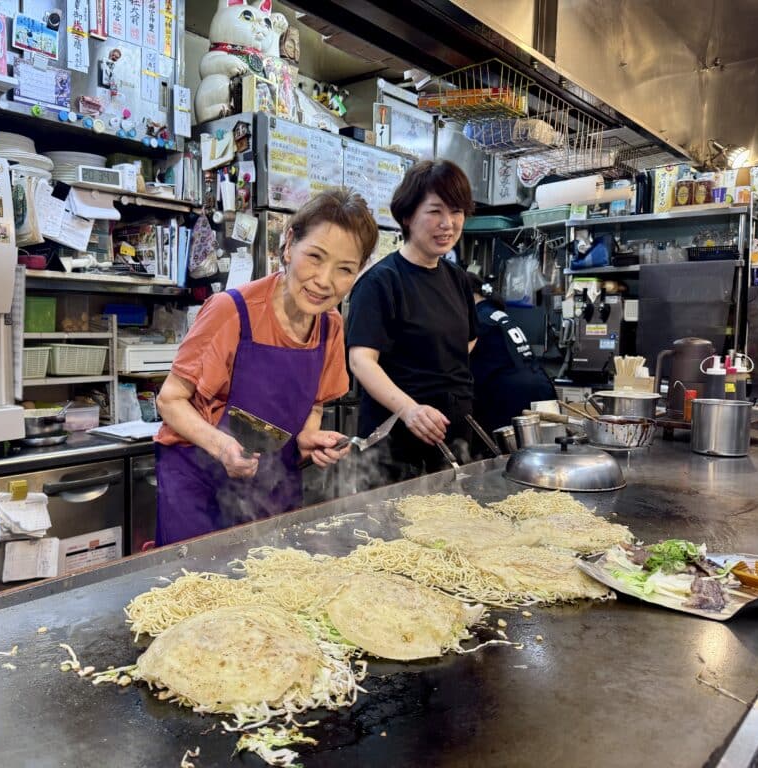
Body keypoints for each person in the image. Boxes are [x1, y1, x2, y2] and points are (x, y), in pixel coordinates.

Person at [153, 189, 380, 545]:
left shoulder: (330, 326)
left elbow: (315, 402)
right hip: (200, 487)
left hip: (274, 485)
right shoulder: (231, 311)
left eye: (345, 270)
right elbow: (170, 401)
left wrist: (308, 437)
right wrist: (223, 447)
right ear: (289, 244)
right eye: (315, 257)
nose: (324, 280)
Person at [346, 159, 477, 484]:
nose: (448, 223)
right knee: (387, 529)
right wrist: (410, 408)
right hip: (394, 437)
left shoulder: (457, 279)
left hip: (452, 431)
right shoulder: (381, 282)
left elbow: (469, 341)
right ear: (407, 216)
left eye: (456, 211)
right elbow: (361, 361)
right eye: (435, 211)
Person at [464, 272, 557, 438]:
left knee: (511, 458)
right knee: (547, 454)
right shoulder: (494, 314)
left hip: (510, 397)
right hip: (540, 386)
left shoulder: (477, 320)